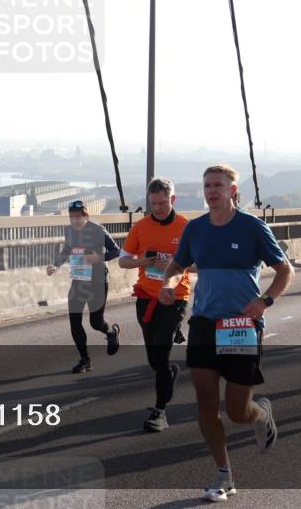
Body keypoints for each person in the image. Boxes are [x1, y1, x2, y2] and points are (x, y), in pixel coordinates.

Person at [160, 165, 294, 503]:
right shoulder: (195, 229)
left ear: (233, 190)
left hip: (241, 325)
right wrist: (169, 284)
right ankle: (224, 474)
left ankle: (260, 413)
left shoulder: (253, 228)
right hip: (205, 323)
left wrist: (265, 301)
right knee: (205, 402)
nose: (211, 191)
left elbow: (284, 270)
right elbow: (177, 265)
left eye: (218, 185)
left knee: (237, 411)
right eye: (207, 185)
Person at [118, 178, 193, 432]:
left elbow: (200, 264)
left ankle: (160, 411)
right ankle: (169, 374)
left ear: (172, 200)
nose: (158, 208)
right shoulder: (141, 227)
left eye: (162, 203)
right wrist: (143, 262)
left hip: (174, 297)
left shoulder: (186, 227)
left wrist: (175, 263)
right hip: (146, 297)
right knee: (154, 358)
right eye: (153, 204)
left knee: (161, 354)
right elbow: (123, 261)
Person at [46, 200, 122, 373]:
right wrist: (56, 265)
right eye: (71, 217)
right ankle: (85, 360)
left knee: (96, 322)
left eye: (78, 217)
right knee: (74, 320)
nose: (74, 220)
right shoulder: (70, 231)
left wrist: (99, 258)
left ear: (85, 216)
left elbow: (116, 250)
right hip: (79, 278)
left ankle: (111, 331)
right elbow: (67, 249)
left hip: (97, 280)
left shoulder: (97, 230)